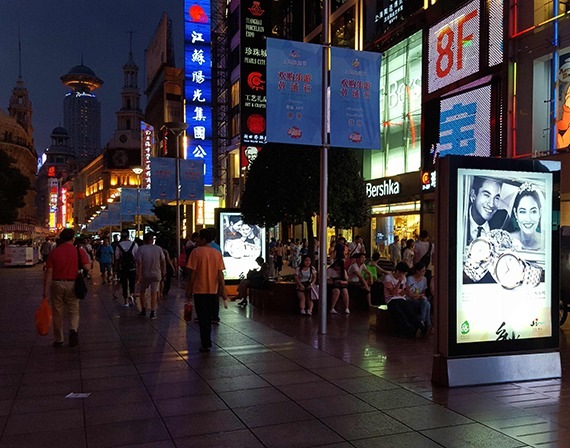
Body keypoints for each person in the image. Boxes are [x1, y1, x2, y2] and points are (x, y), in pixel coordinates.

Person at [42, 228, 90, 347]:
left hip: (57, 283)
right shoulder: (79, 251)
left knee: (57, 312)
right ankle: (73, 329)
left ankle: (59, 339)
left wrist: (45, 290)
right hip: (73, 283)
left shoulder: (54, 252)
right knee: (74, 309)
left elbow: (49, 272)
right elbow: (87, 267)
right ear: (73, 238)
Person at [185, 228, 228, 352]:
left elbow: (193, 273)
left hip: (199, 290)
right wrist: (223, 289)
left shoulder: (196, 252)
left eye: (198, 237)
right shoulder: (217, 253)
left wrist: (189, 288)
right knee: (208, 317)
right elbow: (220, 273)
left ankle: (206, 343)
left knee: (203, 318)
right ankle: (207, 341)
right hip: (213, 290)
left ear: (203, 239)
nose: (197, 240)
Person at [383, 262, 426, 338]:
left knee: (409, 311)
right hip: (391, 299)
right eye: (403, 273)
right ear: (398, 271)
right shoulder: (388, 278)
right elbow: (393, 293)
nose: (404, 276)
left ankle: (421, 328)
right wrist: (399, 282)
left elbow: (402, 293)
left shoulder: (404, 279)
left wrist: (407, 291)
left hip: (401, 298)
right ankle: (410, 331)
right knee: (400, 314)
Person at [466, 176, 508, 245]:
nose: (491, 204)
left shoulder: (503, 220)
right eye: (486, 195)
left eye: (496, 198)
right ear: (473, 195)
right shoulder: (459, 217)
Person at [136, 233, 165, 320]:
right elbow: (163, 261)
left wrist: (139, 275)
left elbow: (139, 263)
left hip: (145, 274)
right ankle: (153, 311)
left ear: (144, 240)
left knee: (142, 291)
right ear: (152, 240)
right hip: (156, 274)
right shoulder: (158, 248)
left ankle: (143, 309)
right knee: (154, 293)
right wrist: (163, 272)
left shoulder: (140, 249)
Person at [509, 182, 543, 251]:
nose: (528, 219)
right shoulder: (507, 241)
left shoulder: (547, 242)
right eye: (522, 212)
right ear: (516, 213)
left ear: (540, 213)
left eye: (533, 211)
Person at [115, 229, 138, 308]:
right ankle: (131, 296)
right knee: (132, 283)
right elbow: (136, 257)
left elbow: (117, 258)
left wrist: (116, 269)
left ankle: (125, 300)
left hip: (123, 268)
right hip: (132, 268)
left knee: (124, 284)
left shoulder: (119, 245)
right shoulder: (134, 244)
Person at [406, 264, 431, 329]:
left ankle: (422, 321)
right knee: (427, 304)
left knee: (425, 302)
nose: (424, 272)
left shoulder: (424, 279)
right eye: (423, 271)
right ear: (417, 271)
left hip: (420, 298)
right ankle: (428, 323)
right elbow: (409, 294)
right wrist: (419, 296)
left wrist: (419, 296)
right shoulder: (410, 279)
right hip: (411, 299)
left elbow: (423, 292)